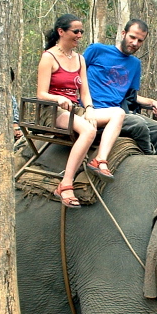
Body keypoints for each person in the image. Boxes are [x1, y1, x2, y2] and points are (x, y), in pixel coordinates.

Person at [37, 14, 125, 208]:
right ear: (61, 32)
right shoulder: (48, 57)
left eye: (81, 32)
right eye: (75, 31)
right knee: (89, 130)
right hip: (53, 111)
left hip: (74, 110)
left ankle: (100, 159)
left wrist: (90, 109)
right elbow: (41, 94)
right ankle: (66, 184)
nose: (79, 35)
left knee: (118, 113)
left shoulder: (79, 59)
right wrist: (58, 98)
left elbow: (84, 91)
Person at [82, 18, 157, 157]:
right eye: (132, 37)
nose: (135, 43)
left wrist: (151, 101)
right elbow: (74, 75)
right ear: (123, 34)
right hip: (95, 110)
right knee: (138, 123)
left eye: (140, 40)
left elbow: (130, 96)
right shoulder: (97, 50)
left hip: (120, 112)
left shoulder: (135, 64)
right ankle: (149, 157)